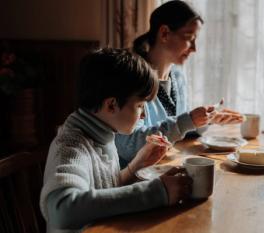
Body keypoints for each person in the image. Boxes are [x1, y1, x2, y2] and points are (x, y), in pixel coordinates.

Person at [40, 48, 192, 233]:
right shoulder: (71, 146)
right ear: (111, 105)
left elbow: (102, 187)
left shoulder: (102, 132)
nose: (144, 114)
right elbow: (62, 210)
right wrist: (157, 192)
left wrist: (136, 165)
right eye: (140, 106)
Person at [116, 0, 244, 167]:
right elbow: (128, 145)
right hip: (134, 175)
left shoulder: (177, 75)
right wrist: (188, 120)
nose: (194, 48)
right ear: (164, 33)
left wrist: (207, 119)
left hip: (166, 164)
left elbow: (179, 129)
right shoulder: (133, 77)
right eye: (189, 38)